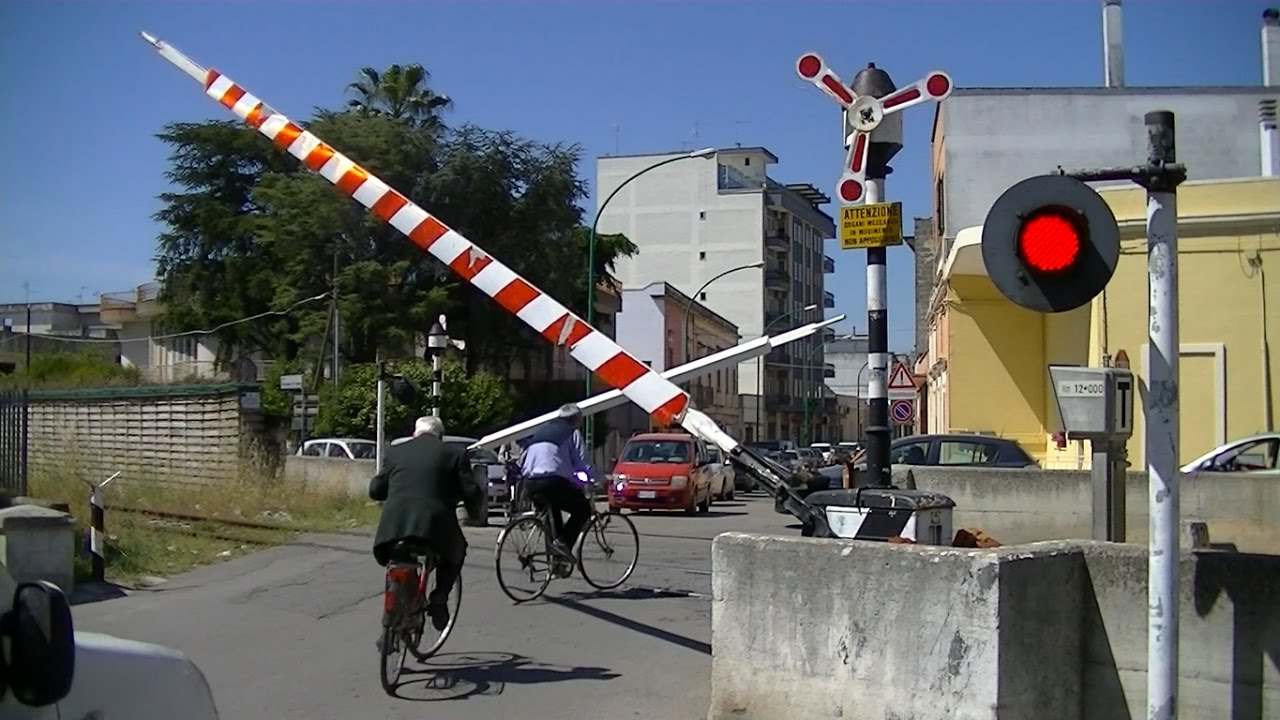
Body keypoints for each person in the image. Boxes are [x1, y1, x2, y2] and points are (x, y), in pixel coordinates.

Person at [369, 415, 482, 631]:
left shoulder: (396, 452)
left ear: (415, 433)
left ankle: (393, 617)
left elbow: (375, 490)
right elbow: (471, 491)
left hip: (393, 529)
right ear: (440, 436)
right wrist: (474, 513)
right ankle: (439, 598)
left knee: (398, 558)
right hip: (434, 528)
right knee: (457, 551)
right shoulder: (455, 453)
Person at [519, 403, 595, 562]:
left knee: (551, 517)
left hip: (530, 482)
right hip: (551, 482)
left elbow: (527, 459)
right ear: (577, 420)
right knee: (583, 509)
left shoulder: (541, 431)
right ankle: (563, 545)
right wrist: (597, 480)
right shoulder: (571, 433)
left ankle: (556, 562)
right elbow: (582, 463)